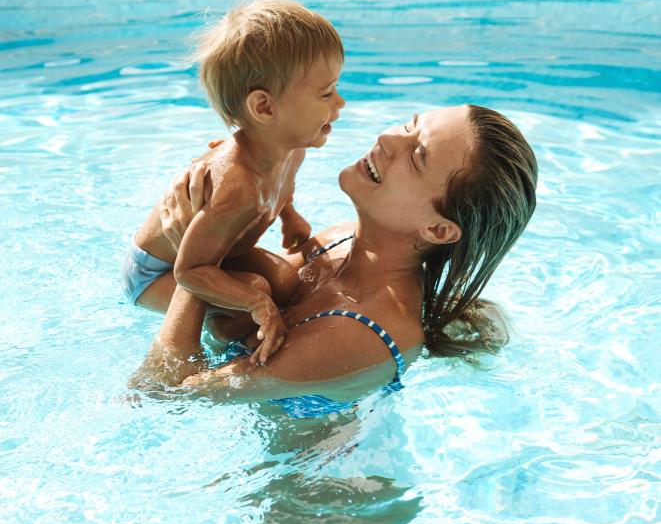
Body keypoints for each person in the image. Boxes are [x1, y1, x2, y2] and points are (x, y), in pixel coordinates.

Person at [130, 105, 538, 411]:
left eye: (417, 156)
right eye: (408, 125)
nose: (388, 139)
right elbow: (231, 313)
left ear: (437, 230)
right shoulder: (337, 242)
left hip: (319, 498)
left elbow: (166, 393)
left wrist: (198, 253)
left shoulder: (357, 335)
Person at [121, 0, 346, 363]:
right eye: (326, 93)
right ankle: (226, 349)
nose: (341, 102)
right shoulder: (237, 188)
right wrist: (257, 304)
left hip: (214, 255)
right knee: (257, 292)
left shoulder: (291, 149)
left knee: (287, 283)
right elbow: (190, 270)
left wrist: (290, 216)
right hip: (154, 275)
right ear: (265, 108)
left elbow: (280, 187)